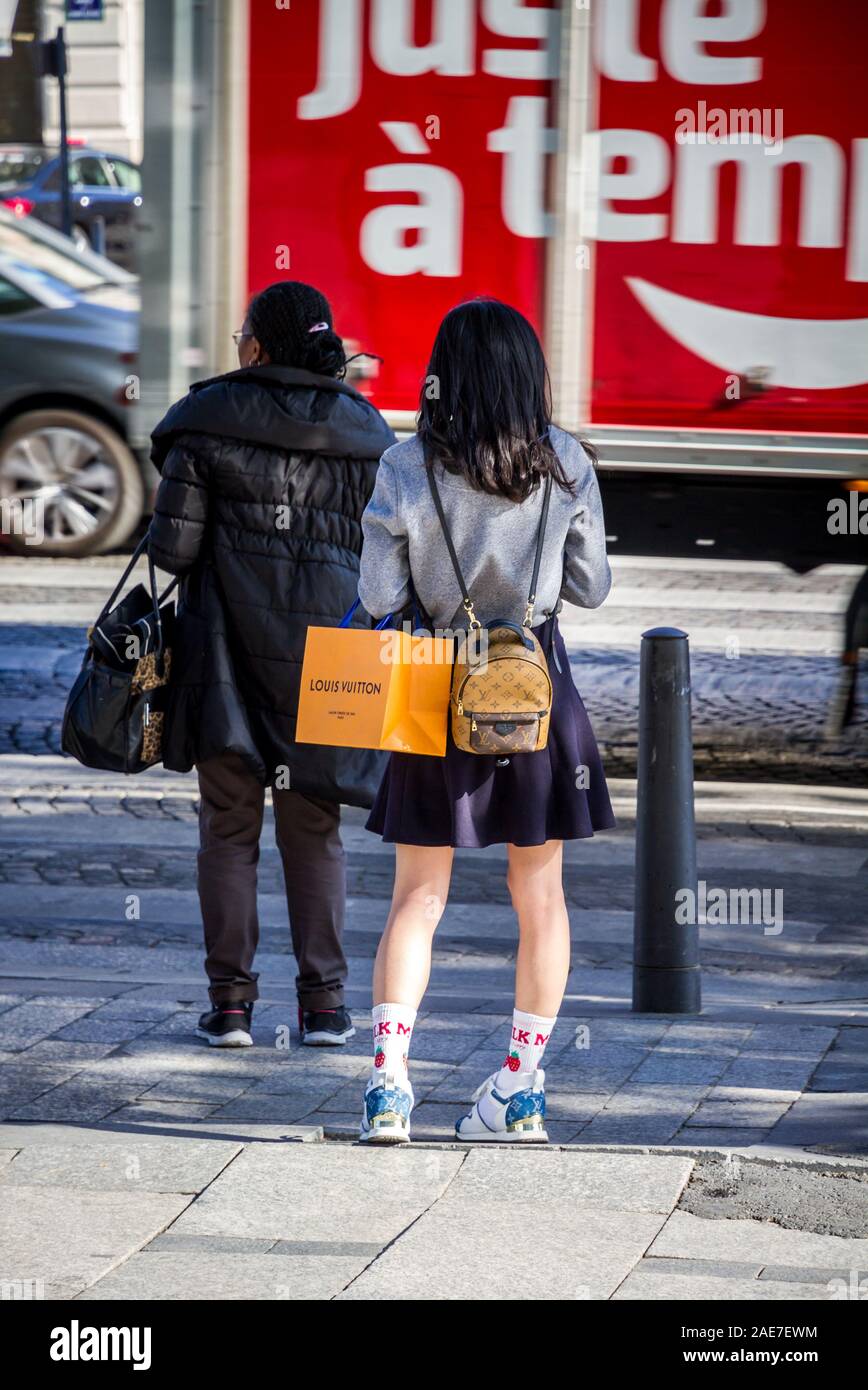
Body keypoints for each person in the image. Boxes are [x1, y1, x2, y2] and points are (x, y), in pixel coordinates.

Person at [355, 298, 615, 1144]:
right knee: (541, 898)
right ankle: (519, 1089)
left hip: (436, 687)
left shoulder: (404, 465)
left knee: (416, 896)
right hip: (534, 687)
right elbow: (590, 587)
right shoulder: (566, 461)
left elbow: (377, 599)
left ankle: (389, 1087)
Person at [148, 281, 395, 1049]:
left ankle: (230, 1008)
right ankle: (323, 1006)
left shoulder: (207, 423)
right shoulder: (368, 431)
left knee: (227, 830)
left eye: (239, 336)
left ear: (256, 344)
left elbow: (170, 552)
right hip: (330, 665)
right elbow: (387, 566)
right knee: (315, 832)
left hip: (222, 659)